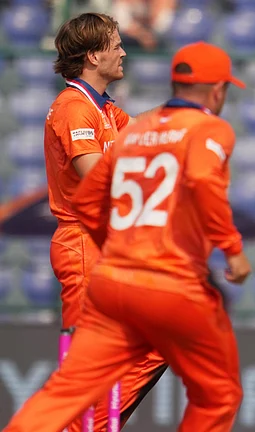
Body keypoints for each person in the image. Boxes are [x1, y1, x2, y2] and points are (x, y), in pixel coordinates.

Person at [4, 41, 251, 432]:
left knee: (69, 389)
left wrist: (113, 245)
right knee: (219, 393)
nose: (122, 53)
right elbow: (203, 181)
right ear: (218, 90)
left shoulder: (133, 132)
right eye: (115, 45)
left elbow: (89, 199)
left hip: (111, 277)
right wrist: (233, 250)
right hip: (163, 279)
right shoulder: (208, 128)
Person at [44, 12, 166, 430]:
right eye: (116, 45)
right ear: (94, 56)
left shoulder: (105, 110)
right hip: (83, 245)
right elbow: (96, 176)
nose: (123, 52)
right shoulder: (74, 108)